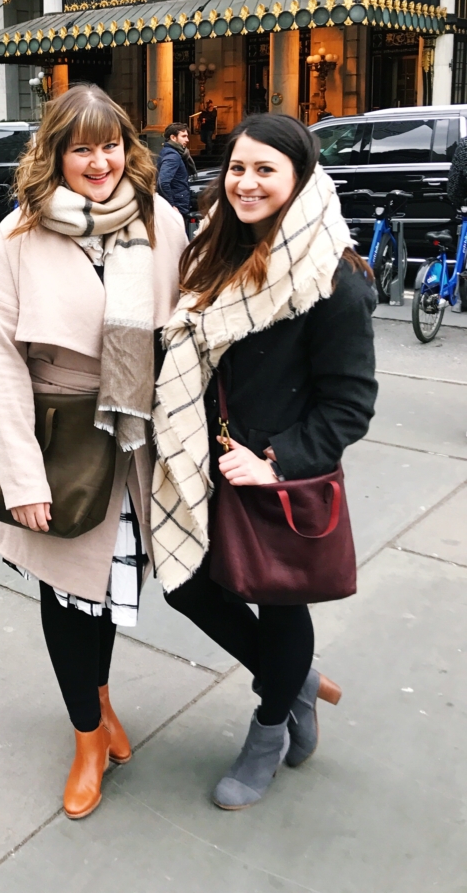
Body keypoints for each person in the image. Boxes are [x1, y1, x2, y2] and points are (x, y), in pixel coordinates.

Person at [149, 113, 377, 810]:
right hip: (203, 459)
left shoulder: (331, 277)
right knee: (184, 582)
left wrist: (276, 461)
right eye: (238, 167)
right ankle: (296, 679)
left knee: (279, 604)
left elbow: (350, 404)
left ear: (299, 179)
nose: (246, 183)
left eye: (265, 170)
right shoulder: (212, 253)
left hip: (273, 474)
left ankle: (269, 726)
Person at [0, 84, 187, 820]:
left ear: (128, 148)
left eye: (111, 145)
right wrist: (23, 478)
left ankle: (99, 703)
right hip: (59, 436)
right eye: (81, 147)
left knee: (110, 587)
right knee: (68, 594)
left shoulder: (161, 221)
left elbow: (188, 330)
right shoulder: (17, 238)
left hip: (136, 436)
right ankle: (88, 736)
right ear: (56, 154)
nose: (99, 163)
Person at [156, 123, 196, 225]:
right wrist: (172, 205)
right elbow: (163, 182)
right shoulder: (173, 156)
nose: (187, 140)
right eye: (183, 136)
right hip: (177, 206)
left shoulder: (171, 152)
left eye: (187, 136)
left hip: (177, 203)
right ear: (173, 137)